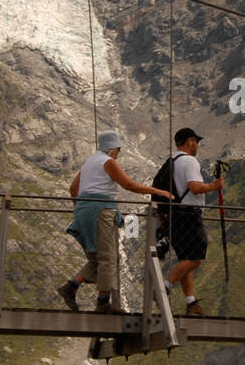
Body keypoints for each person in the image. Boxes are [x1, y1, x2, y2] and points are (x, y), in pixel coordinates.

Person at [60, 130, 173, 312]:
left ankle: (71, 286)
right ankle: (103, 302)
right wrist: (159, 192)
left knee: (97, 258)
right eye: (118, 149)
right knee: (108, 259)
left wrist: (81, 209)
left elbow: (73, 188)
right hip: (101, 211)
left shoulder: (89, 163)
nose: (119, 154)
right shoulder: (108, 162)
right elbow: (129, 185)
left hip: (83, 211)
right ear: (112, 148)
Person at [164, 127, 224, 317]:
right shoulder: (189, 161)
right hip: (189, 214)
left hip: (173, 215)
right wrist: (214, 186)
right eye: (196, 142)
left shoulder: (170, 162)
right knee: (197, 257)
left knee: (186, 259)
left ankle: (191, 302)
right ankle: (164, 286)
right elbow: (195, 187)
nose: (197, 146)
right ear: (190, 141)